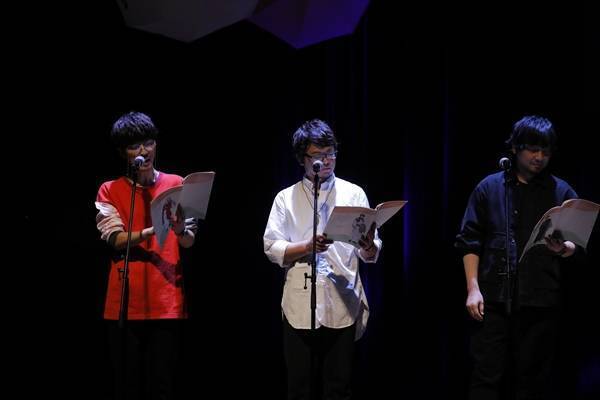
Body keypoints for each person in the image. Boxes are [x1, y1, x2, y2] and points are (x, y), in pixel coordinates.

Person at [455, 115, 580, 399]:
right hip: (493, 300)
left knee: (533, 380)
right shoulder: (490, 187)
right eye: (533, 150)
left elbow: (580, 244)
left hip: (541, 300)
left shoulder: (562, 191)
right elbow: (469, 241)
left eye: (545, 151)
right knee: (486, 376)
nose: (539, 157)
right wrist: (473, 289)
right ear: (515, 148)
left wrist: (565, 248)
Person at [263, 119, 381, 400]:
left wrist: (369, 246)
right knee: (299, 388)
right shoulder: (285, 198)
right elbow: (271, 246)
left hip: (342, 301)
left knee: (338, 387)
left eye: (330, 153)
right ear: (302, 158)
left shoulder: (353, 193)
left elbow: (370, 252)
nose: (326, 161)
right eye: (317, 155)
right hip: (299, 305)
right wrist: (306, 246)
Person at [95, 111, 197, 400]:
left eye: (149, 143)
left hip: (167, 299)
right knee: (127, 384)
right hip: (125, 301)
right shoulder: (110, 189)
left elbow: (189, 241)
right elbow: (115, 239)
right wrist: (153, 230)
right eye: (134, 146)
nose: (144, 151)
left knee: (163, 384)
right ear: (123, 153)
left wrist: (179, 229)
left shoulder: (176, 183)